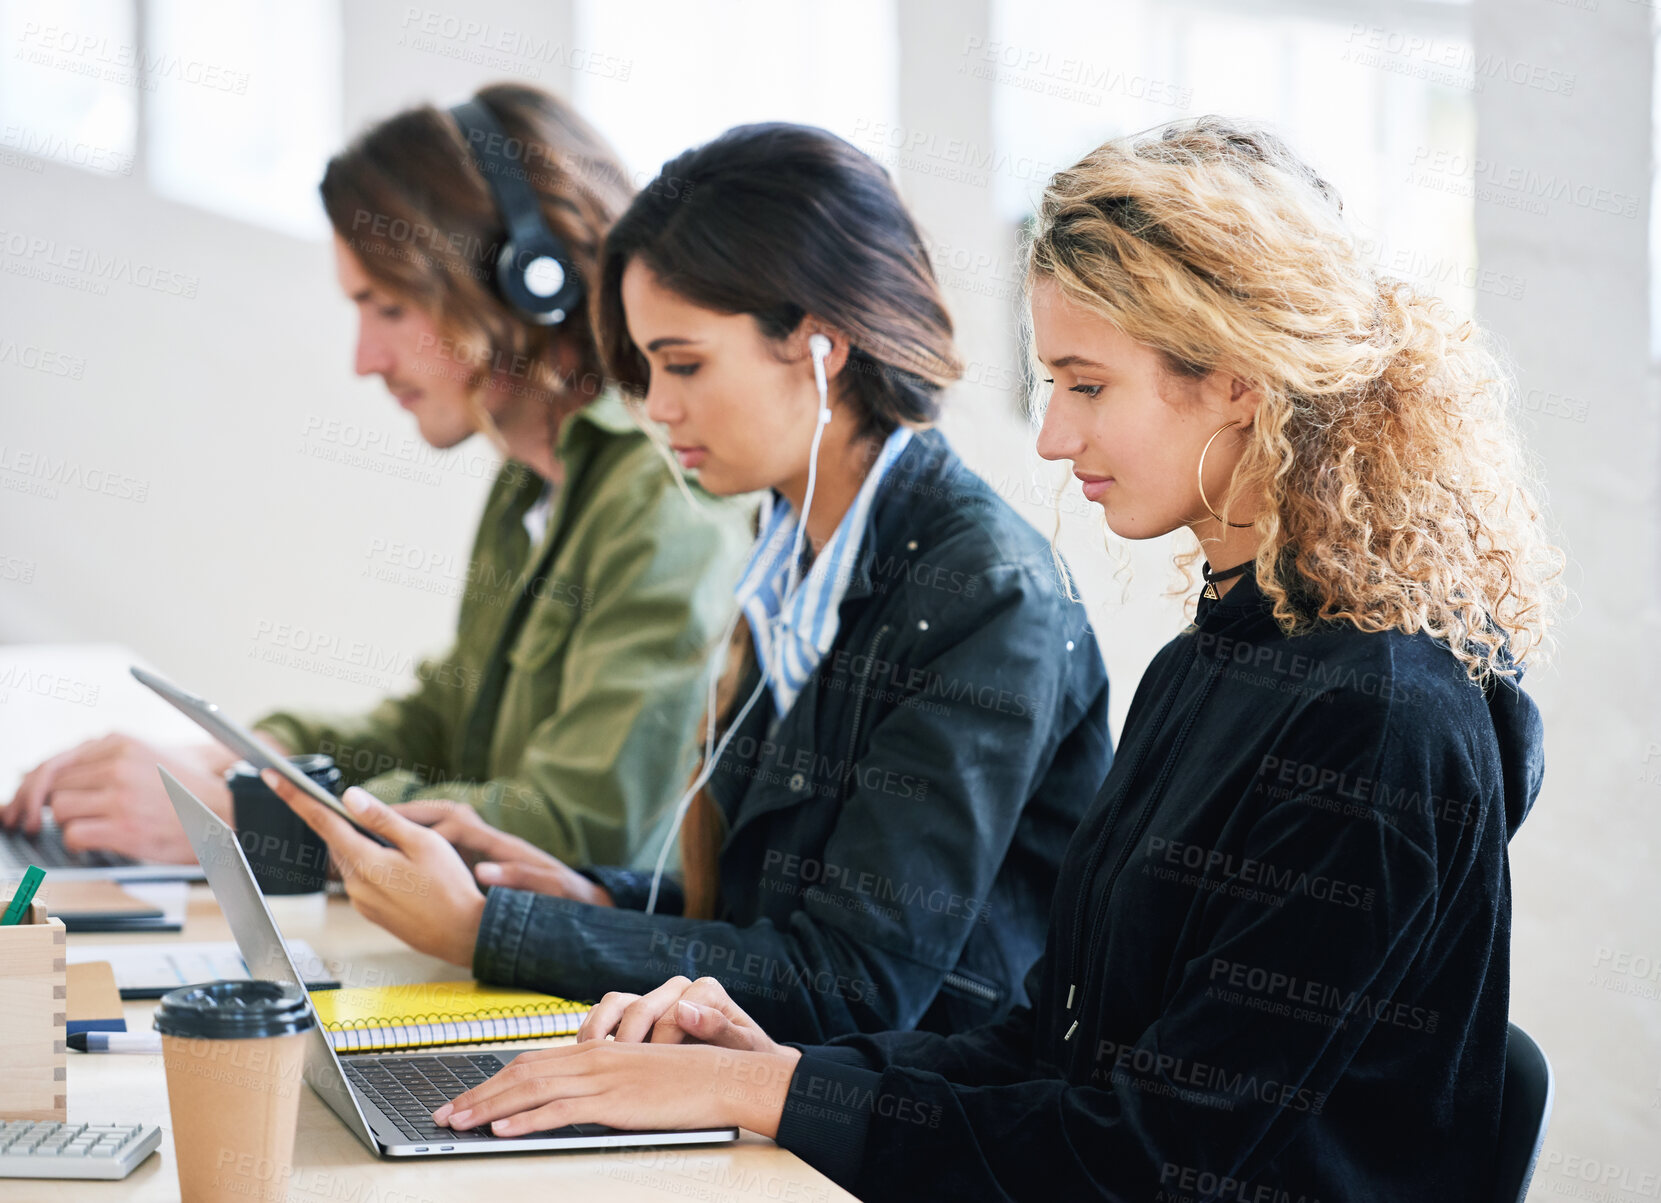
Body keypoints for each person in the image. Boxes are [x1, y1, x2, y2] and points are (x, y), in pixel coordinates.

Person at [408, 118, 1566, 1202]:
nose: (1054, 438)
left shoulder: (1378, 723)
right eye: (1051, 385)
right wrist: (779, 1068)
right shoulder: (1209, 660)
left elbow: (1150, 1159)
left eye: (1085, 385)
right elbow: (1045, 1042)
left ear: (1235, 377)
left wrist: (756, 1089)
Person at [262, 121, 1112, 1043]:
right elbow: (771, 914)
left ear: (820, 346)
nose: (657, 408)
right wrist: (592, 897)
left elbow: (857, 982)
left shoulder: (983, 594)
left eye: (684, 365)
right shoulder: (791, 555)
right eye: (648, 367)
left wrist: (491, 929)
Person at [0, 83, 754, 868]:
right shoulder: (532, 483)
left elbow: (581, 827)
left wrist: (241, 818)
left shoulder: (663, 501)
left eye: (388, 307)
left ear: (524, 277)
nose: (365, 359)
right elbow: (441, 727)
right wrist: (243, 756)